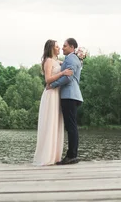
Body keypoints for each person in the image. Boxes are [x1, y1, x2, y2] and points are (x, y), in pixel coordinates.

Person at [32, 39, 73, 166]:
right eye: (56, 46)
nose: (59, 48)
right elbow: (48, 80)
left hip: (57, 94)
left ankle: (55, 156)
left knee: (56, 123)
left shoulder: (56, 61)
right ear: (51, 48)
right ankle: (46, 156)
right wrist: (63, 73)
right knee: (50, 123)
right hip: (51, 94)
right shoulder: (48, 61)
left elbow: (68, 62)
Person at [48, 37, 84, 165]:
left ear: (72, 48)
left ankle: (71, 156)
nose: (63, 48)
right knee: (72, 126)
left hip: (69, 96)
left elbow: (68, 78)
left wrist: (53, 85)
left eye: (65, 46)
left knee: (71, 127)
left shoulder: (70, 58)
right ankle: (72, 154)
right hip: (73, 96)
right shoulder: (75, 59)